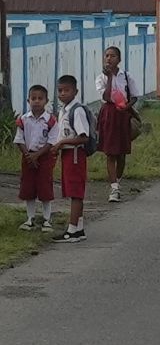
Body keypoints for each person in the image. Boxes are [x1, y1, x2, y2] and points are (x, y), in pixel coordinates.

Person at [95, 44, 138, 203]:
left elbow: (134, 96)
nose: (109, 59)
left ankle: (118, 181)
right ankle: (113, 187)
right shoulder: (101, 78)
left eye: (112, 56)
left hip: (122, 114)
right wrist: (110, 78)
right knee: (110, 152)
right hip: (109, 114)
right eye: (106, 56)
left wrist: (126, 107)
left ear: (119, 59)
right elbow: (106, 97)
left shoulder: (127, 76)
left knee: (121, 152)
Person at [53, 73, 91, 240]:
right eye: (60, 90)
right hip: (67, 154)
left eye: (66, 90)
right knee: (72, 190)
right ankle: (79, 228)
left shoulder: (77, 111)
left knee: (76, 192)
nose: (62, 94)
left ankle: (72, 229)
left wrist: (61, 143)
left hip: (75, 154)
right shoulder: (63, 111)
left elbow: (84, 137)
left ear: (75, 91)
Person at [15, 82, 56, 232]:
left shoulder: (50, 120)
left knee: (45, 186)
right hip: (27, 157)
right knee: (28, 187)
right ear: (28, 101)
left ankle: (47, 219)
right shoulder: (23, 119)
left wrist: (37, 155)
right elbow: (19, 139)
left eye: (40, 98)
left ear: (46, 101)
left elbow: (52, 141)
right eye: (33, 98)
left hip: (44, 158)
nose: (37, 101)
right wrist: (28, 155)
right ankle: (30, 218)